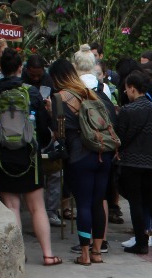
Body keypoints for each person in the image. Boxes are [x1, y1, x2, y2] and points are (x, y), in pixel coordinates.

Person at [0, 48, 60, 266]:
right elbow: (43, 127)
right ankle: (48, 254)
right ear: (19, 68)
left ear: (0, 68)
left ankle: (18, 256)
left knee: (11, 207)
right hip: (29, 157)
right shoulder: (32, 93)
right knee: (37, 207)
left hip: (1, 156)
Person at [49, 57, 115, 265]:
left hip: (80, 155)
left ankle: (84, 254)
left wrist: (50, 112)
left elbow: (60, 134)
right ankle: (97, 251)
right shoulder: (93, 93)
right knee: (98, 202)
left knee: (84, 204)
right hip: (103, 152)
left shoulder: (59, 98)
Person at [115, 71, 152, 254]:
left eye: (126, 89)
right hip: (151, 161)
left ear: (132, 88)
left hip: (131, 162)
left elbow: (120, 137)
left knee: (136, 203)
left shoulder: (127, 111)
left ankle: (141, 242)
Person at [23, 54, 63, 227]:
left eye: (39, 75)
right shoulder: (21, 81)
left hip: (47, 132)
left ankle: (51, 211)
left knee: (54, 172)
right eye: (33, 75)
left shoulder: (49, 81)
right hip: (25, 132)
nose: (36, 78)